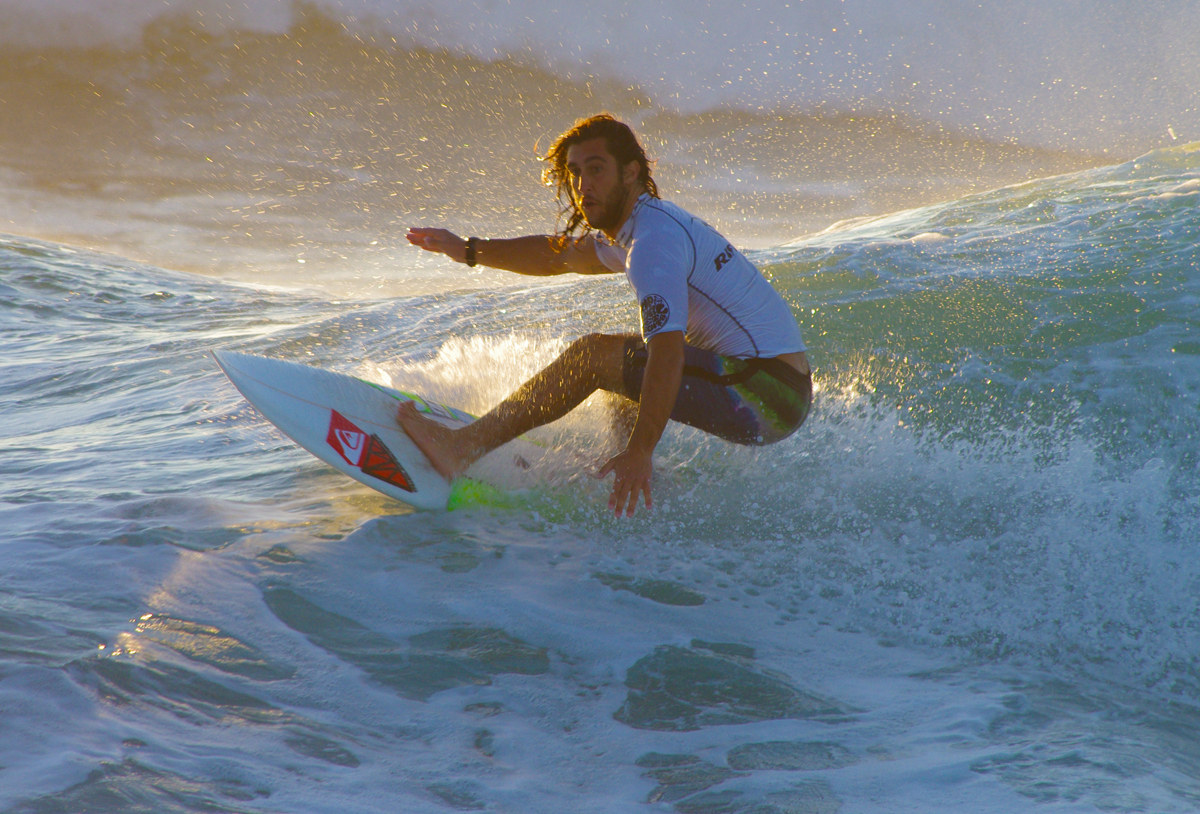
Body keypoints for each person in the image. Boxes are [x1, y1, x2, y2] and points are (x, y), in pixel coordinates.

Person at [400, 113, 811, 517]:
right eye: (575, 172)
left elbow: (668, 354)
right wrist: (468, 250)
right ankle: (629, 474)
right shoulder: (638, 225)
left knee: (595, 356)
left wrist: (642, 451)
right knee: (624, 360)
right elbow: (556, 255)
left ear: (630, 173)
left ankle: (461, 448)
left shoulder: (652, 244)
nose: (583, 186)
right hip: (773, 388)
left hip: (768, 394)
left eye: (596, 170)